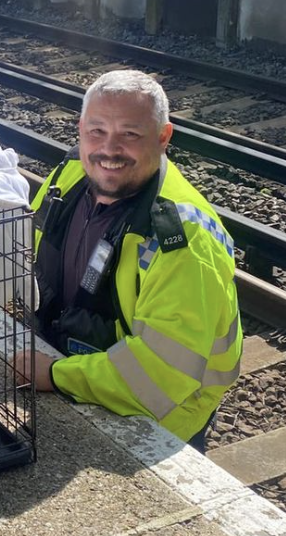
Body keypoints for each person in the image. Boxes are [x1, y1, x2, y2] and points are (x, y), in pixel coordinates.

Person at [20, 70, 241, 452]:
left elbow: (158, 377)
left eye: (130, 134)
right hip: (77, 362)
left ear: (163, 137)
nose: (109, 150)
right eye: (97, 131)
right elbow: (28, 251)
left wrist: (54, 375)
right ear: (80, 129)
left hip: (160, 416)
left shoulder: (181, 239)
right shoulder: (71, 174)